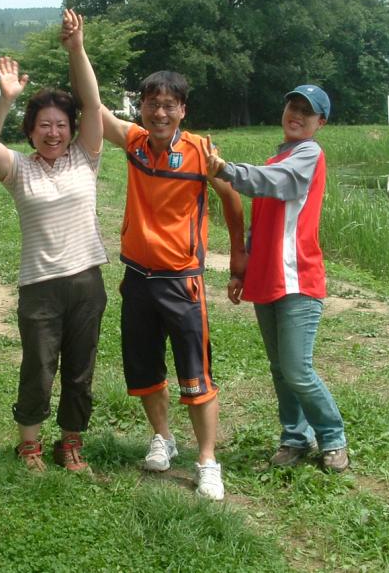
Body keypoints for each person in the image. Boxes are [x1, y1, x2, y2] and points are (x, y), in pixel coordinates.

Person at [87, 65, 246, 501]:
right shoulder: (135, 143)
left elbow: (231, 198)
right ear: (141, 108)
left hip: (182, 282)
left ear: (182, 111)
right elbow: (92, 104)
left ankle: (207, 461)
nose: (160, 113)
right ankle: (163, 437)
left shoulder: (200, 151)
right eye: (152, 104)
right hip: (138, 278)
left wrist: (238, 255)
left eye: (169, 105)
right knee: (145, 369)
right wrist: (77, 49)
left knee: (196, 375)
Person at [0, 10, 107, 473]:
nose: (54, 133)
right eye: (44, 125)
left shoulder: (85, 158)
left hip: (87, 282)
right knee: (39, 367)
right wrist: (5, 99)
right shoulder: (18, 169)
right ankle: (29, 445)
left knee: (80, 369)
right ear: (31, 131)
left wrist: (77, 50)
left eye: (61, 124)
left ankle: (70, 442)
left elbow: (93, 105)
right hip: (40, 287)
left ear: (71, 129)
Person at [205, 85, 349, 473]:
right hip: (268, 278)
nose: (296, 115)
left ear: (321, 123)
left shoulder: (308, 154)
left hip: (298, 279)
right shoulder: (277, 159)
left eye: (307, 111)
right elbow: (262, 222)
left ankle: (333, 438)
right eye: (292, 106)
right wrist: (242, 269)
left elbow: (271, 182)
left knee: (297, 369)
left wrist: (225, 169)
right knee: (280, 368)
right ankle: (295, 438)